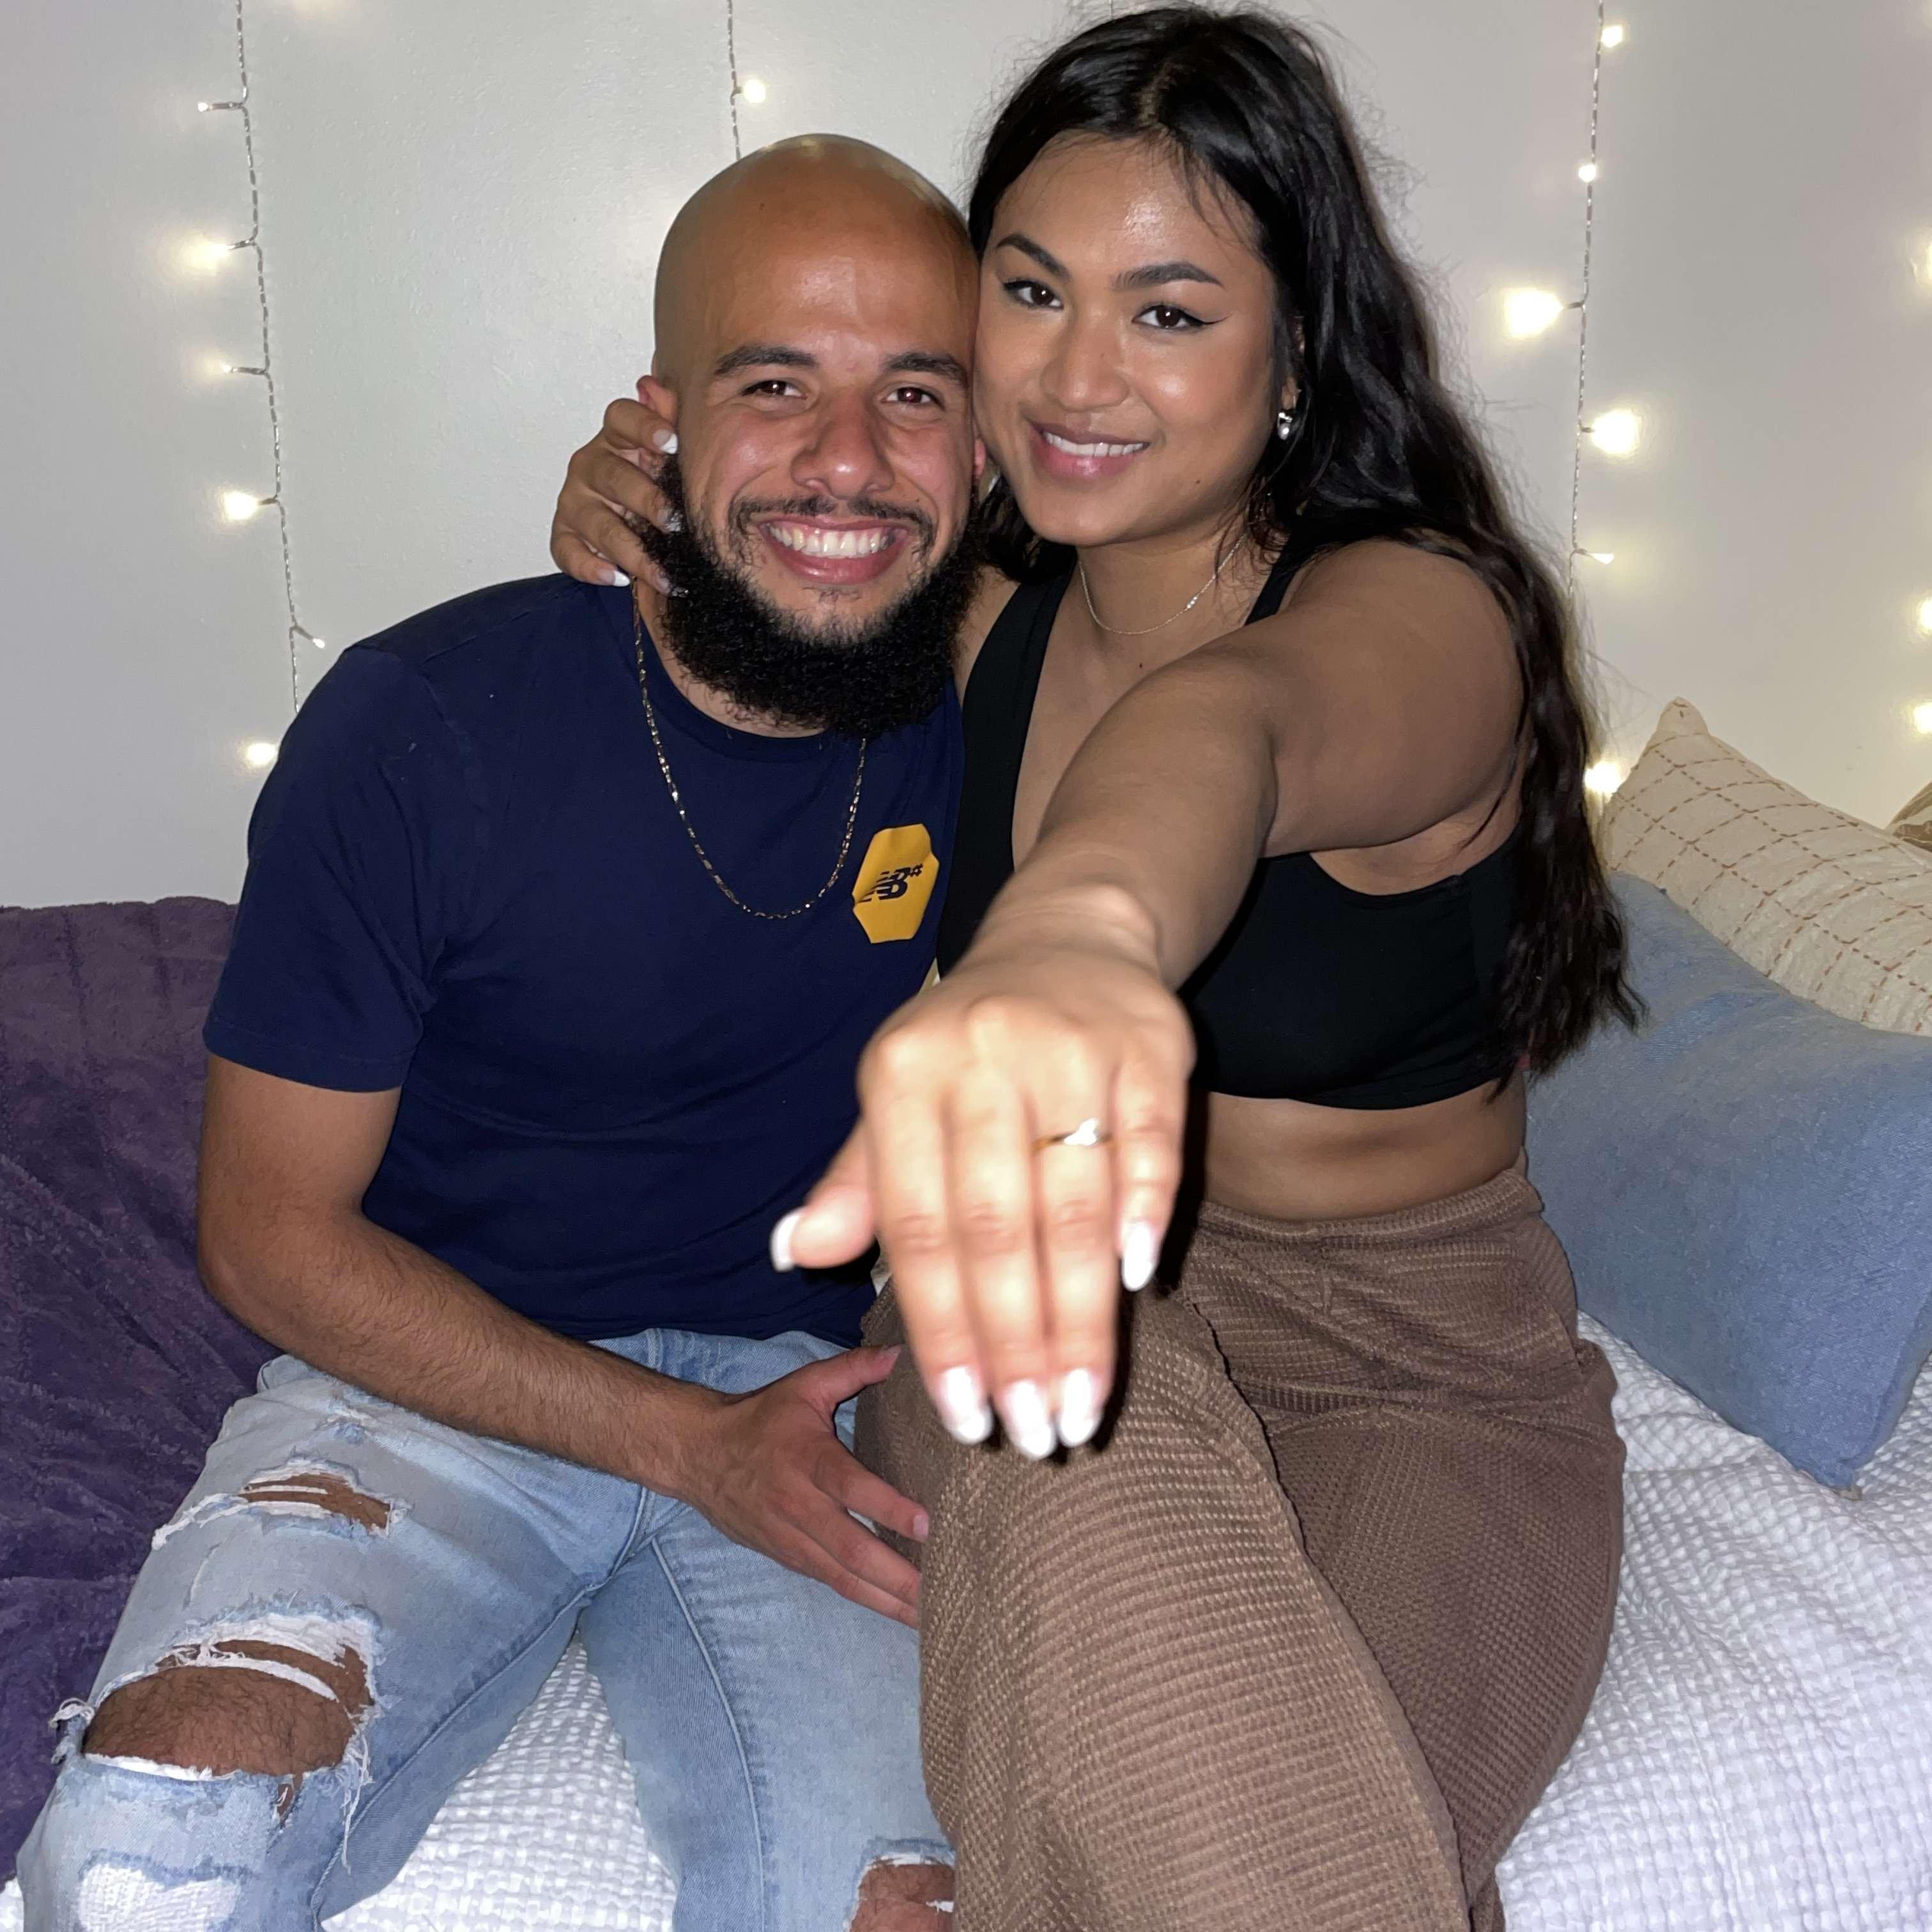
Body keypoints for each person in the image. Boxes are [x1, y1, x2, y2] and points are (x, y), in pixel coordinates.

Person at [548, 10, 1636, 1930]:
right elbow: (762, 548)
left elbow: (1236, 732)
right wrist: (635, 498)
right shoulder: (978, 617)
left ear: (1296, 350)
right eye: (1034, 289)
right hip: (1026, 1289)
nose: (1073, 374)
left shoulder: (1423, 618)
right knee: (1059, 1425)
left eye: (1171, 312)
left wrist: (1077, 933)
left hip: (1415, 1378)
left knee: (1252, 1863)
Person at [19, 137, 974, 1932]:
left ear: (982, 446)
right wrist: (674, 1441)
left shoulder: (992, 710)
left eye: (914, 393)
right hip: (426, 1376)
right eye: (776, 385)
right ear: (661, 423)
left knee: (884, 1907)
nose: (850, 459)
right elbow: (267, 1234)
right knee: (147, 1867)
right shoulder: (420, 726)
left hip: (797, 1391)